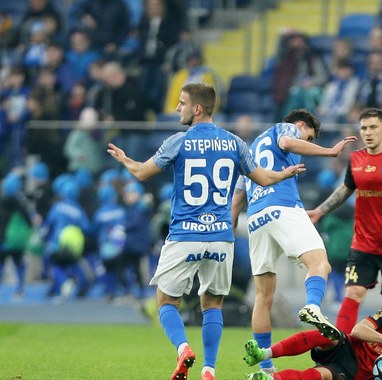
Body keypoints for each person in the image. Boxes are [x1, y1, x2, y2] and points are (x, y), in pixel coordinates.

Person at [106, 83, 305, 380]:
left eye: (182, 102)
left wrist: (126, 161)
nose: (177, 108)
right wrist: (283, 173)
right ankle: (209, 369)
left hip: (185, 234)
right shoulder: (235, 143)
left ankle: (183, 347)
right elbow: (263, 179)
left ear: (197, 108)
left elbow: (142, 172)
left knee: (166, 301)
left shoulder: (179, 141)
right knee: (212, 304)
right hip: (222, 238)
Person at [231, 109, 357, 374]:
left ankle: (265, 367)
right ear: (300, 125)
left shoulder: (252, 149)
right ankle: (312, 306)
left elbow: (239, 193)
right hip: (283, 206)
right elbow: (287, 142)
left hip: (255, 217)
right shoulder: (283, 128)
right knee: (320, 264)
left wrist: (231, 226)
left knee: (263, 295)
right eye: (308, 136)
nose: (307, 142)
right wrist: (329, 151)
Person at [308, 108, 382, 334]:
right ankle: (341, 348)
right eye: (364, 128)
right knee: (353, 293)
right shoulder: (356, 159)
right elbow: (345, 190)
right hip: (363, 242)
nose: (368, 132)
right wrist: (320, 211)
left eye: (373, 127)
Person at [243, 287, 382, 380]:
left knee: (321, 375)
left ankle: (270, 378)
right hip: (349, 345)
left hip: (353, 371)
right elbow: (358, 330)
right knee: (329, 335)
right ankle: (264, 354)